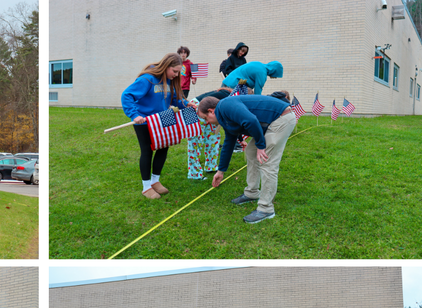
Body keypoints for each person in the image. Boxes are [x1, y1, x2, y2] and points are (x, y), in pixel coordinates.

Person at [197, 94, 297, 224]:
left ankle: (266, 209)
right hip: (271, 122)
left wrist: (261, 146)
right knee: (250, 151)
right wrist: (221, 171)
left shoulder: (225, 105)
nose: (207, 122)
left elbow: (251, 121)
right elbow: (228, 143)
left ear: (211, 111)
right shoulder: (224, 117)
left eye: (206, 118)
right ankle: (252, 192)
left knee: (267, 161)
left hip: (282, 119)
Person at [121, 52, 192, 199]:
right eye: (175, 71)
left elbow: (174, 98)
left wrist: (186, 103)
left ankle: (155, 181)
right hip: (145, 121)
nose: (177, 75)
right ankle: (146, 187)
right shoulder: (148, 79)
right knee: (147, 151)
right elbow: (127, 95)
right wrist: (135, 115)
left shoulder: (169, 80)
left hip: (163, 118)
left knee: (163, 147)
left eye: (179, 72)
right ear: (166, 66)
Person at [186, 87, 233, 180]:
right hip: (195, 107)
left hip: (209, 111)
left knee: (213, 138)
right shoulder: (230, 99)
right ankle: (194, 174)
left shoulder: (230, 97)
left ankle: (211, 167)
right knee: (195, 143)